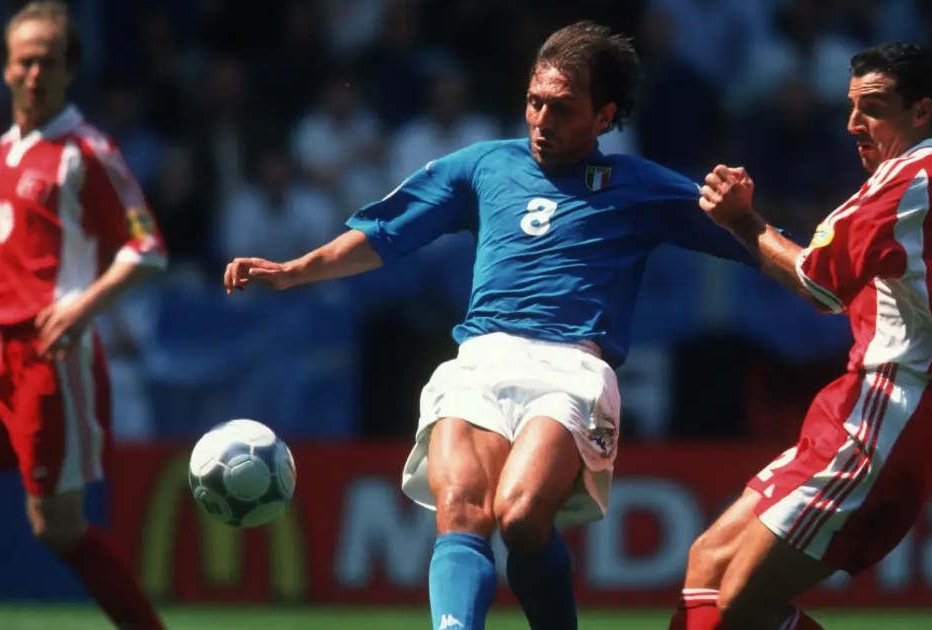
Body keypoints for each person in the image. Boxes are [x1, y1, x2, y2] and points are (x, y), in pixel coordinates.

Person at [223, 21, 767, 630]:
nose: (542, 120)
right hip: (481, 358)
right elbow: (386, 234)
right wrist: (293, 270)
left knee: (521, 516)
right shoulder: (483, 165)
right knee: (460, 510)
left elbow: (751, 240)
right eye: (535, 102)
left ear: (604, 115)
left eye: (562, 108)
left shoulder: (639, 185)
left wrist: (817, 273)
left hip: (571, 369)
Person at [670, 43, 932, 630]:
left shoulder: (911, 180)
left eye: (873, 108)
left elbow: (817, 284)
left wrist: (742, 221)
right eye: (851, 106)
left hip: (886, 413)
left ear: (921, 111)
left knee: (742, 602)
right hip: (883, 406)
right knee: (708, 566)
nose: (853, 124)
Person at [0, 2, 168, 629]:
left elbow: (148, 248)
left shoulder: (87, 151)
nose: (34, 73)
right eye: (24, 61)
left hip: (48, 357)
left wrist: (82, 307)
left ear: (70, 70)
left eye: (48, 61)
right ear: (5, 67)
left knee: (55, 526)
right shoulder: (7, 148)